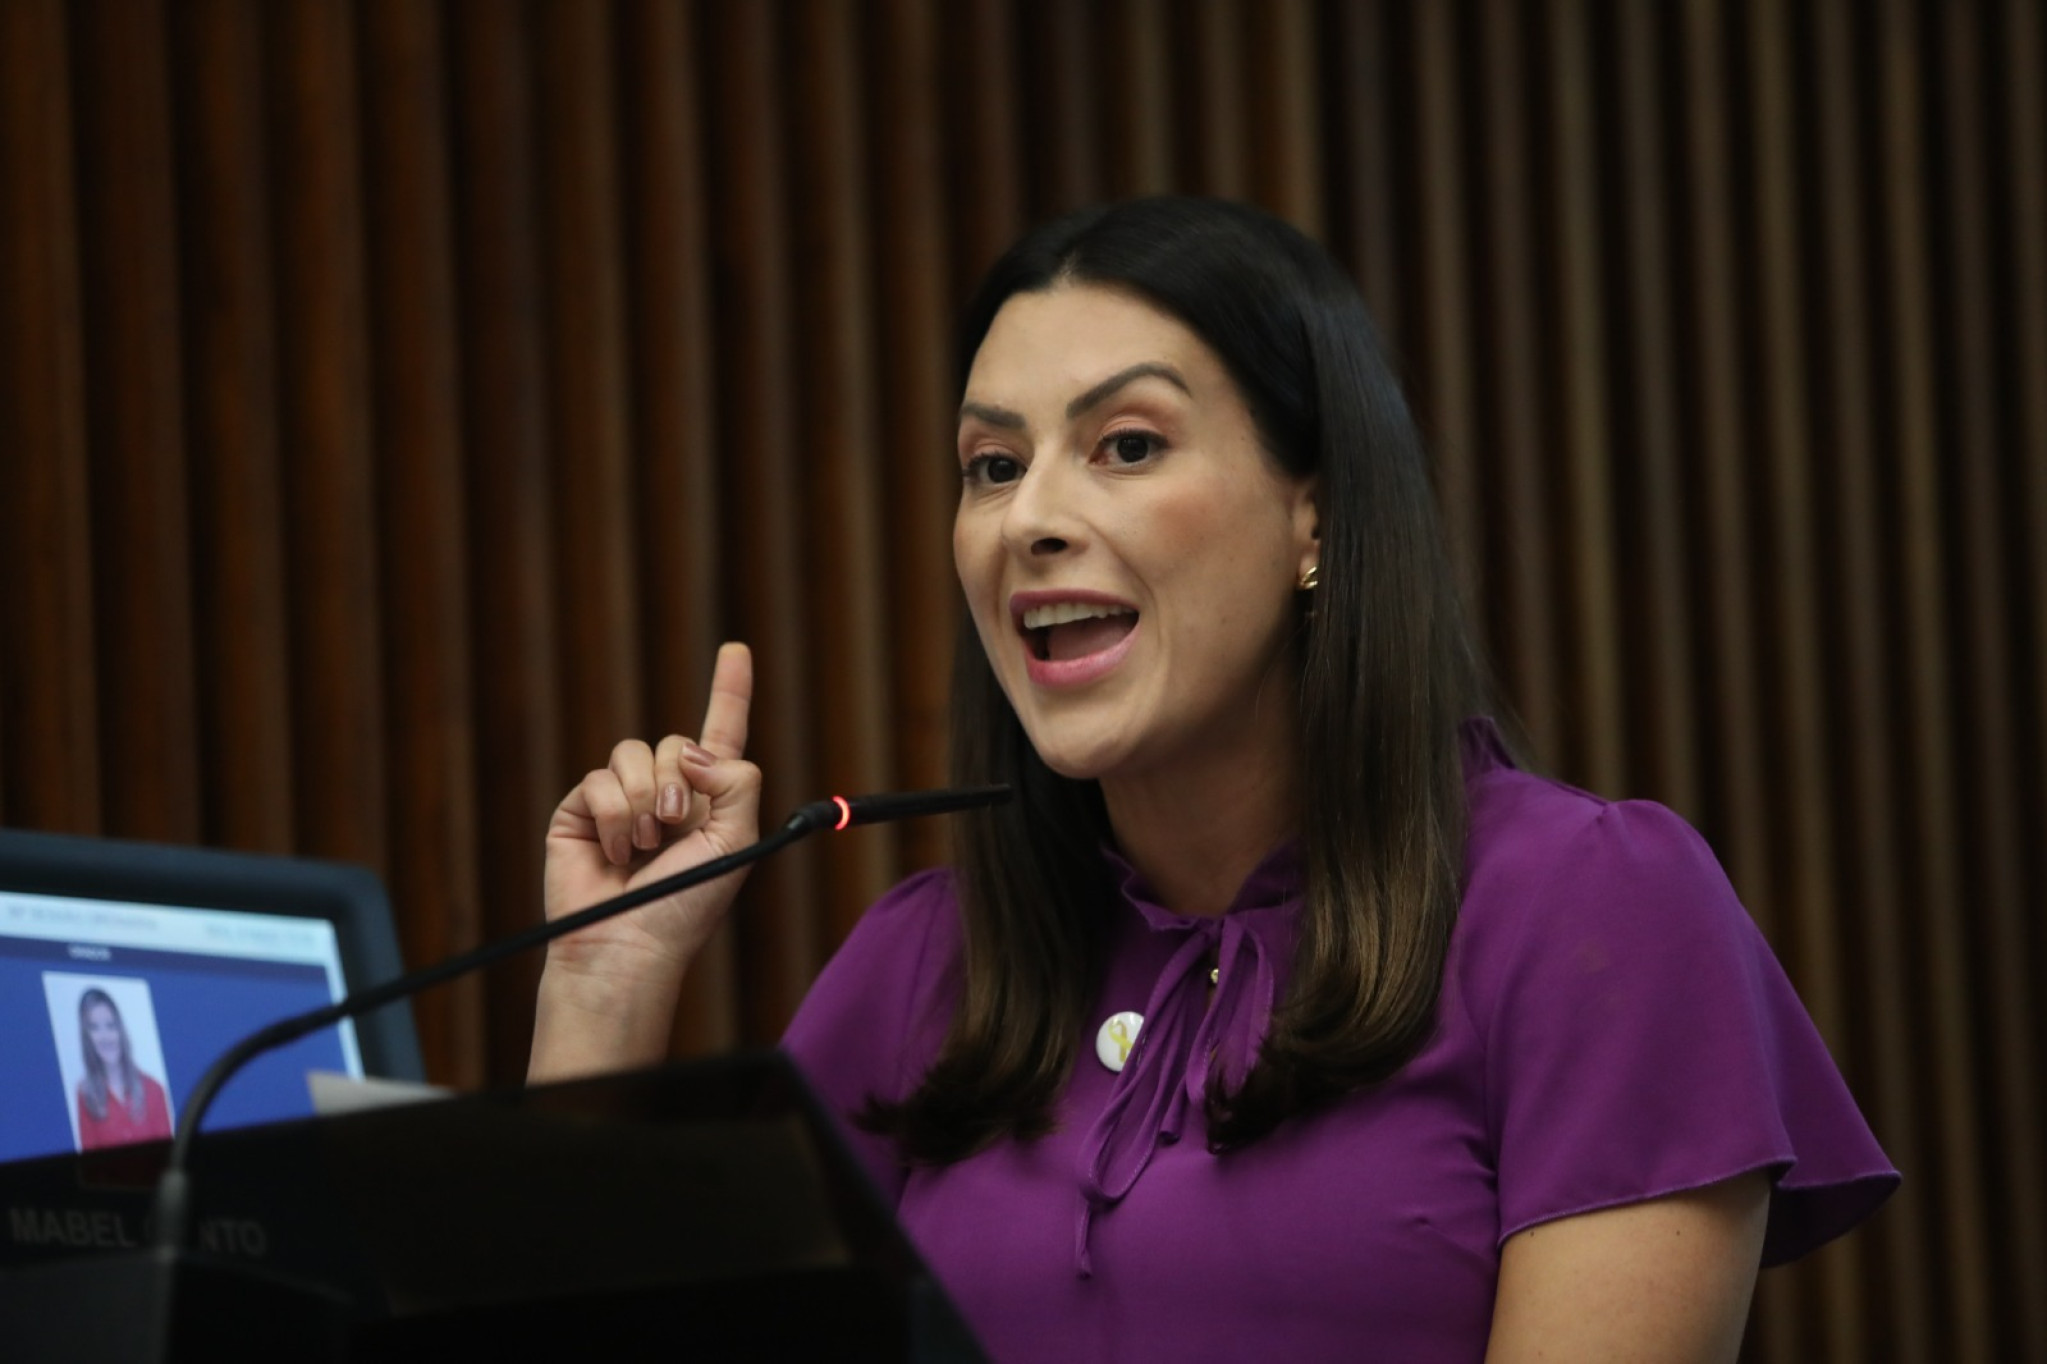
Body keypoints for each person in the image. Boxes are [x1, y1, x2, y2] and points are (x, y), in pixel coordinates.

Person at [529, 198, 1896, 1361]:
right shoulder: (920, 967)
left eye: (1125, 445)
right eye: (990, 466)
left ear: (1313, 511)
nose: (1033, 520)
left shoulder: (1593, 907)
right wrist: (605, 979)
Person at [74, 987, 172, 1151]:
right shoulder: (84, 1095)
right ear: (87, 1037)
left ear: (121, 1030)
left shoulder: (154, 1090)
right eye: (94, 1028)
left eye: (111, 1025)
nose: (105, 1037)